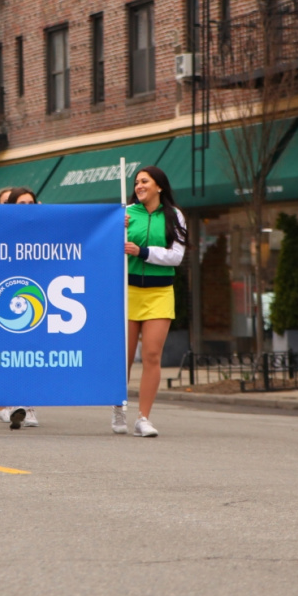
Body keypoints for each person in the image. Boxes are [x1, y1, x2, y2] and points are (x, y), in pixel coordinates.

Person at [121, 166, 187, 437]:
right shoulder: (124, 213)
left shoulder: (175, 216)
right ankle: (118, 407)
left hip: (160, 292)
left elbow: (177, 256)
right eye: (136, 182)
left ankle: (143, 418)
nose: (139, 186)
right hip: (127, 292)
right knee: (124, 358)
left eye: (144, 181)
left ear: (159, 186)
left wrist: (143, 251)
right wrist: (116, 231)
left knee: (151, 355)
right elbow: (106, 250)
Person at [0, 187, 40, 430]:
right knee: (9, 355)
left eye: (31, 204)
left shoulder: (42, 230)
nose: (27, 208)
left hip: (33, 298)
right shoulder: (1, 230)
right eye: (21, 204)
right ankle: (10, 404)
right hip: (5, 297)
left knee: (30, 352)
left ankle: (28, 407)